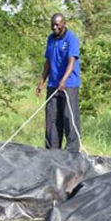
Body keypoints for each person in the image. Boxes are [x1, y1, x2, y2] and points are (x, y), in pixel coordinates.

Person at [36, 13, 81, 153]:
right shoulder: (51, 39)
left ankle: (72, 151)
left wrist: (64, 80)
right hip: (53, 84)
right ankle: (52, 150)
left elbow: (71, 62)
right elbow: (48, 62)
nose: (55, 27)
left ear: (64, 24)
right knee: (52, 118)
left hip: (69, 84)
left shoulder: (71, 39)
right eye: (53, 25)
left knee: (69, 116)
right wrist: (42, 81)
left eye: (57, 24)